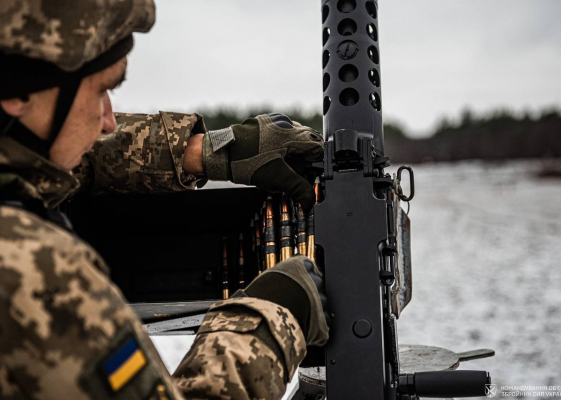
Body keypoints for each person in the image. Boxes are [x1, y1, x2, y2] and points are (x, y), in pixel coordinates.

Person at [0, 1, 328, 399]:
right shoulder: (33, 270)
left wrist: (207, 151)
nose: (107, 120)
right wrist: (272, 319)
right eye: (101, 90)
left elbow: (67, 153)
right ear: (17, 91)